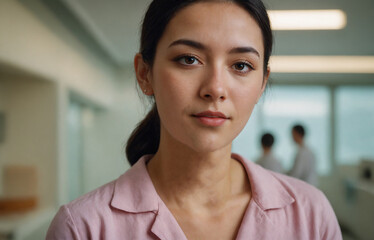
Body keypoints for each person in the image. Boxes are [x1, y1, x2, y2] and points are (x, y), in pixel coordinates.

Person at [46, 0, 341, 239]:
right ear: (144, 74)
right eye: (189, 59)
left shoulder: (311, 215)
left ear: (262, 83)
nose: (215, 88)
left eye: (241, 65)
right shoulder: (83, 228)